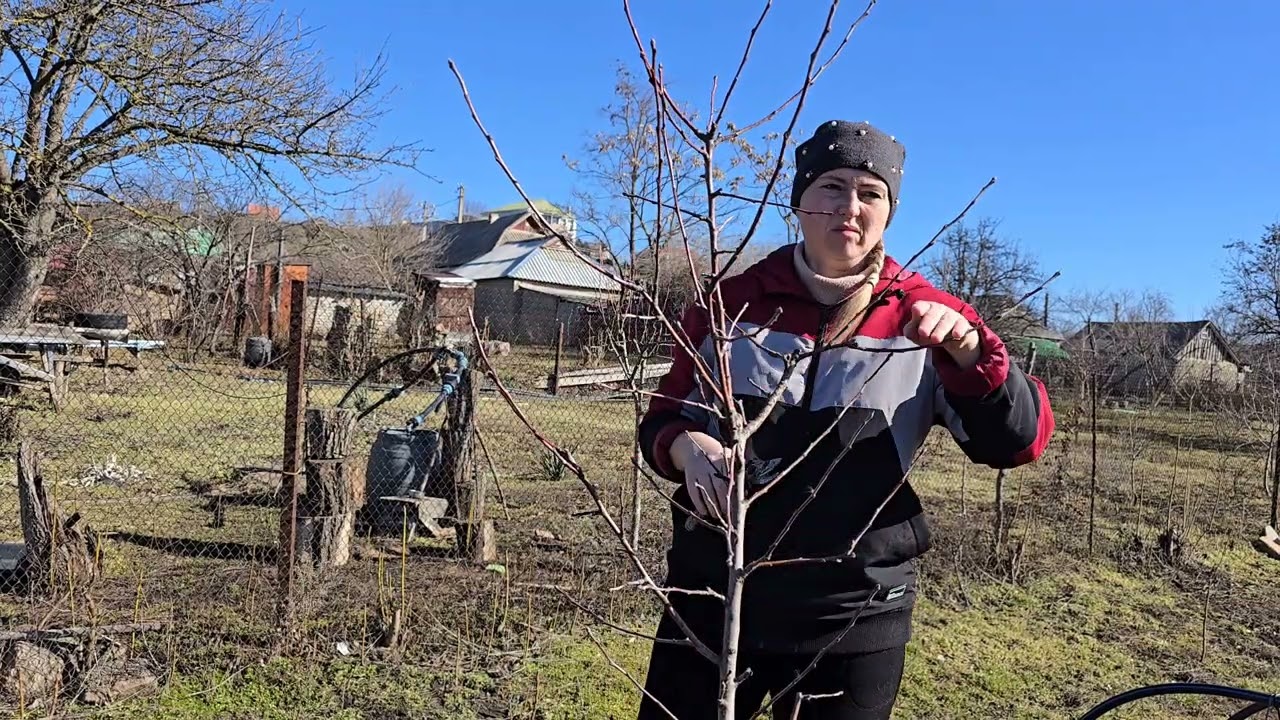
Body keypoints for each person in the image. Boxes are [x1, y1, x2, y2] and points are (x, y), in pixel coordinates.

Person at [634, 119, 1055, 719]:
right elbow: (663, 420)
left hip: (852, 614)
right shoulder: (730, 306)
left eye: (870, 192)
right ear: (798, 200)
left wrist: (969, 356)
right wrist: (685, 445)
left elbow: (1017, 442)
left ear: (890, 210)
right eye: (831, 186)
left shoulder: (930, 317)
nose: (849, 208)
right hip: (714, 591)